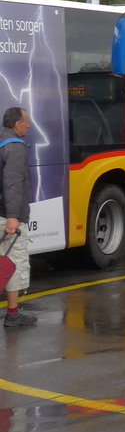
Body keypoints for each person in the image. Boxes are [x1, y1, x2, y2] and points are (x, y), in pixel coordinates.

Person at [1, 106, 35, 328]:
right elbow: (13, 182)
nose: (29, 125)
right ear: (16, 124)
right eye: (26, 122)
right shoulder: (15, 147)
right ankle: (13, 313)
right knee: (14, 263)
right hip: (6, 215)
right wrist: (13, 217)